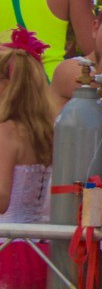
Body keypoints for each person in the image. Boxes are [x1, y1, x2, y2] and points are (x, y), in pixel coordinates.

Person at [0, 28, 54, 289]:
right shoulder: (46, 132)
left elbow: (1, 199)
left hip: (6, 247)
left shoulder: (6, 131)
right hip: (40, 249)